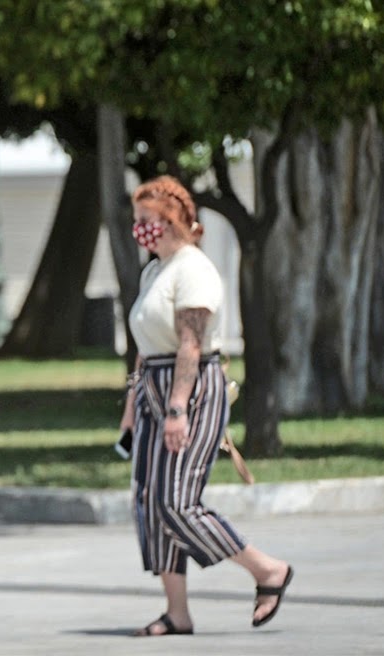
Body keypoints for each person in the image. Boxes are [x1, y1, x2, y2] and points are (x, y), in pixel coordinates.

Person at [120, 175, 294, 636]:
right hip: (154, 388)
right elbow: (144, 346)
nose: (138, 229)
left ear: (170, 219)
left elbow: (190, 344)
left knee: (177, 503)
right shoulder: (154, 270)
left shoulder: (192, 268)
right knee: (150, 504)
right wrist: (132, 402)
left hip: (191, 389)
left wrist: (178, 407)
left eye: (145, 220)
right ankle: (177, 612)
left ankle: (267, 570)